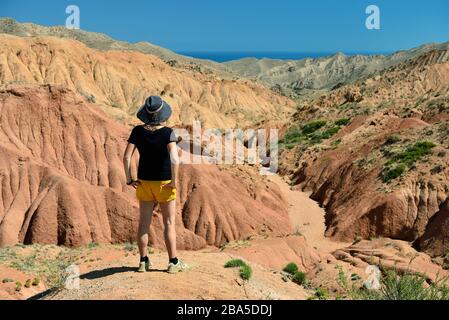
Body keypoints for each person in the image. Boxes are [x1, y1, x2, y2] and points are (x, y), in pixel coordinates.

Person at [123, 95, 188, 273]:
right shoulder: (168, 133)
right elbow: (175, 159)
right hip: (164, 183)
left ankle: (143, 262)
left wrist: (129, 178)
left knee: (143, 224)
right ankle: (173, 263)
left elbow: (127, 157)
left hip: (144, 182)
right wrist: (174, 182)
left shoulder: (137, 131)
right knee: (168, 223)